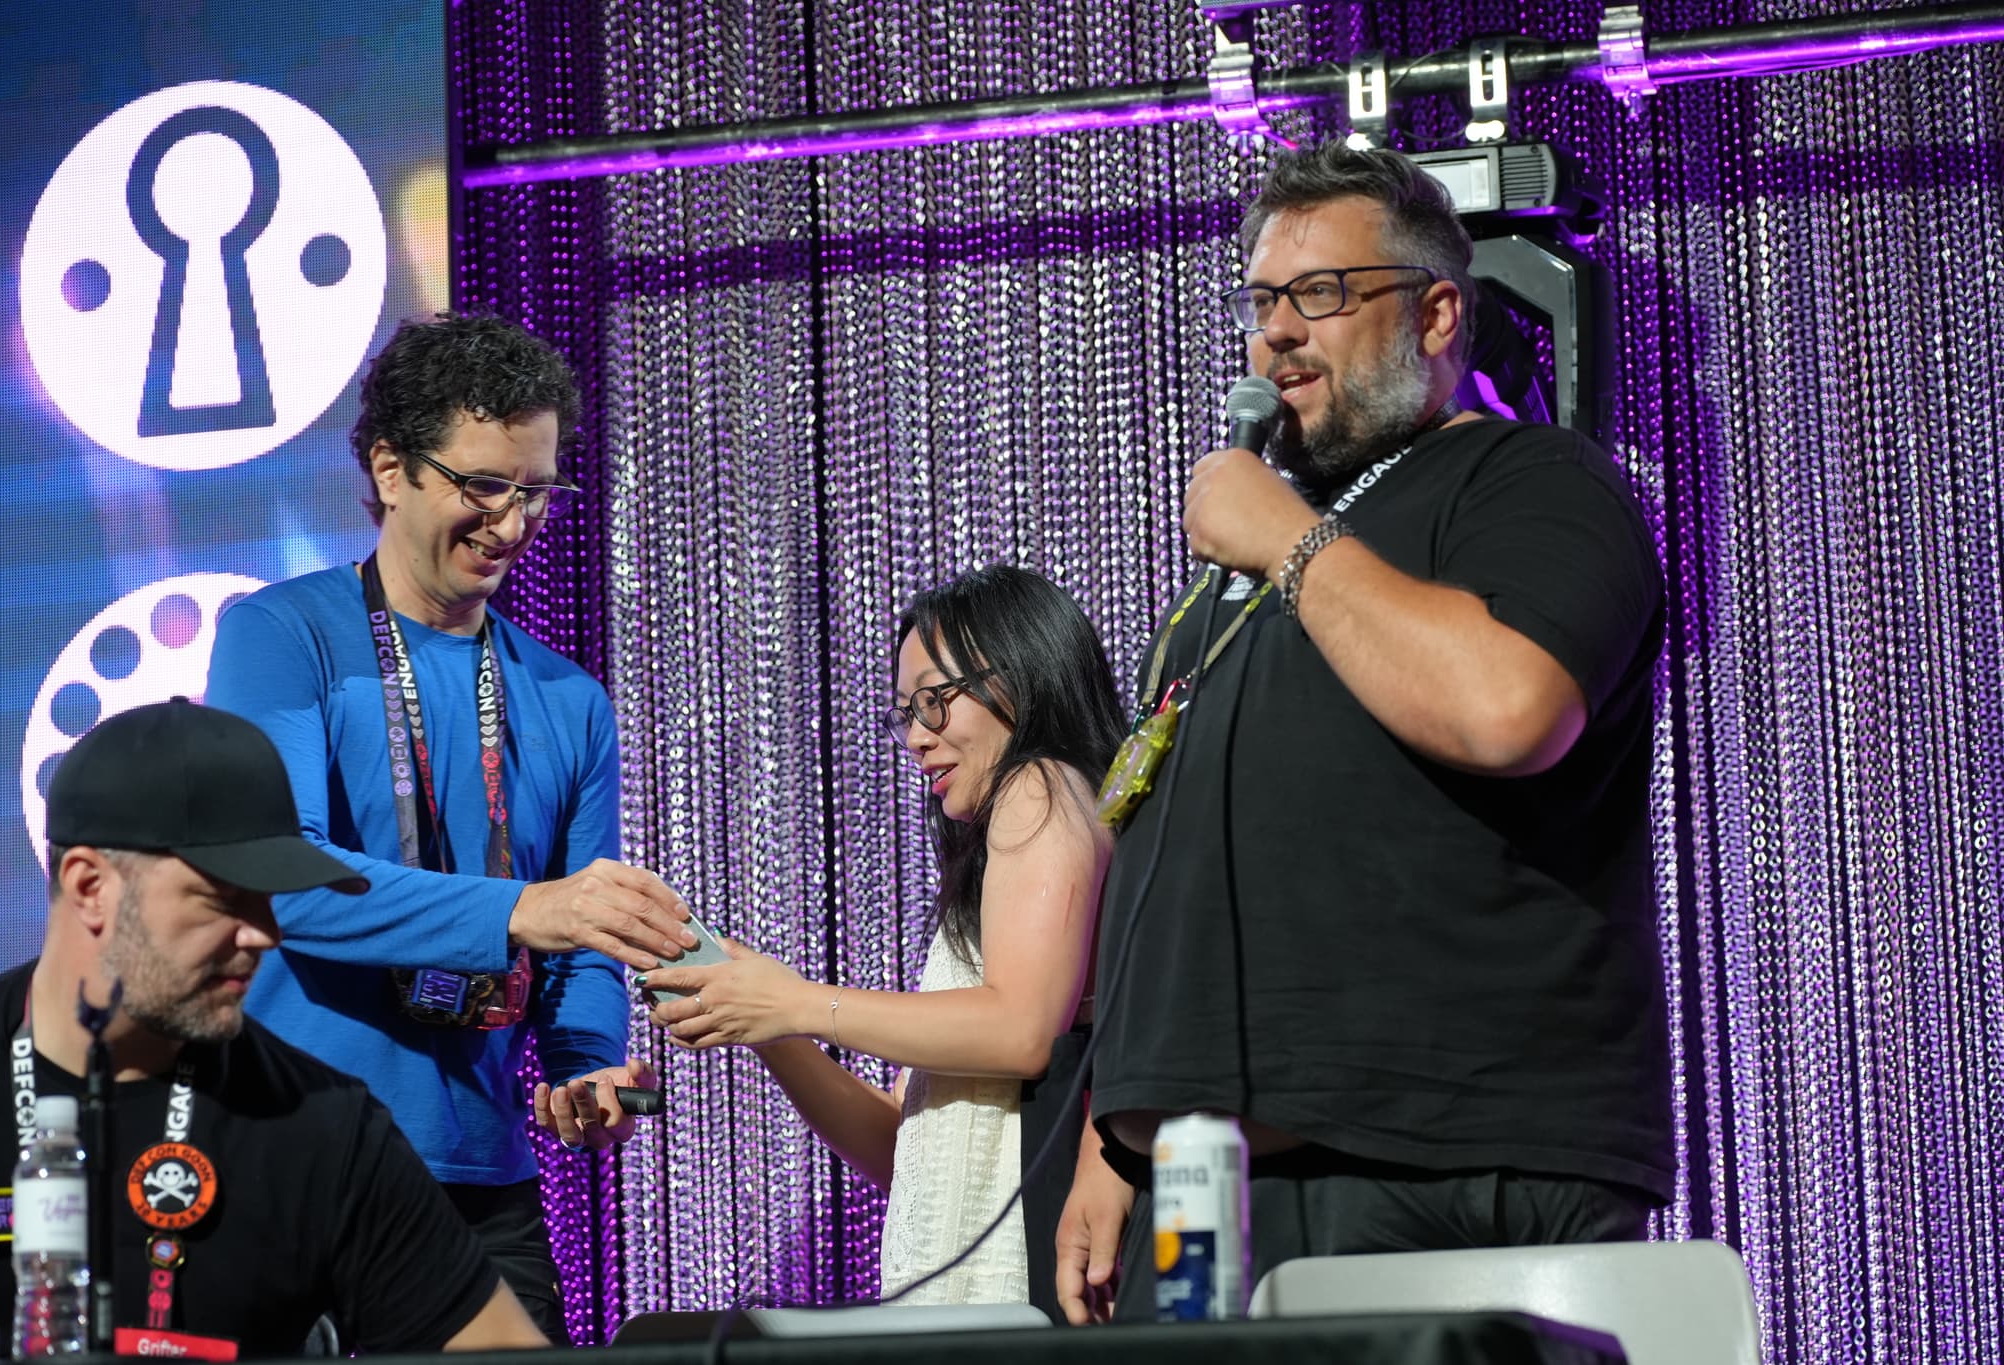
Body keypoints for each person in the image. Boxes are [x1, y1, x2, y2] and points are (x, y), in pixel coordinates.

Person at [1056, 142, 1673, 1324]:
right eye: (1261, 300)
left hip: (1434, 1151)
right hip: (1198, 1162)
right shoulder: (1231, 579)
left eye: (1322, 295)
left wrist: (1287, 540)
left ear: (1438, 311)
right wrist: (1107, 1136)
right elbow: (1167, 863)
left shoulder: (1530, 480)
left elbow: (1509, 709)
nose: (1277, 332)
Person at [205, 313, 693, 1342]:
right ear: (390, 468)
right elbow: (282, 879)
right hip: (293, 1152)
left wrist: (583, 1061)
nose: (511, 524)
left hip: (480, 1174)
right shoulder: (280, 636)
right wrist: (526, 909)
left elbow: (584, 942)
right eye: (482, 485)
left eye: (535, 490)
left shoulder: (570, 698)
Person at [0, 699, 549, 1355]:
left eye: (268, 899)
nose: (265, 933)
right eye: (224, 899)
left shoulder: (322, 1121)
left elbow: (496, 1344)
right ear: (90, 886)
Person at [634, 566, 1125, 1311]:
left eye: (935, 701)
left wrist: (795, 1001)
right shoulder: (1014, 829)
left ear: (1025, 673)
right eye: (905, 714)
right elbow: (905, 1151)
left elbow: (1021, 1028)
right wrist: (767, 1025)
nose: (918, 738)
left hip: (1035, 1265)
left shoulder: (1042, 786)